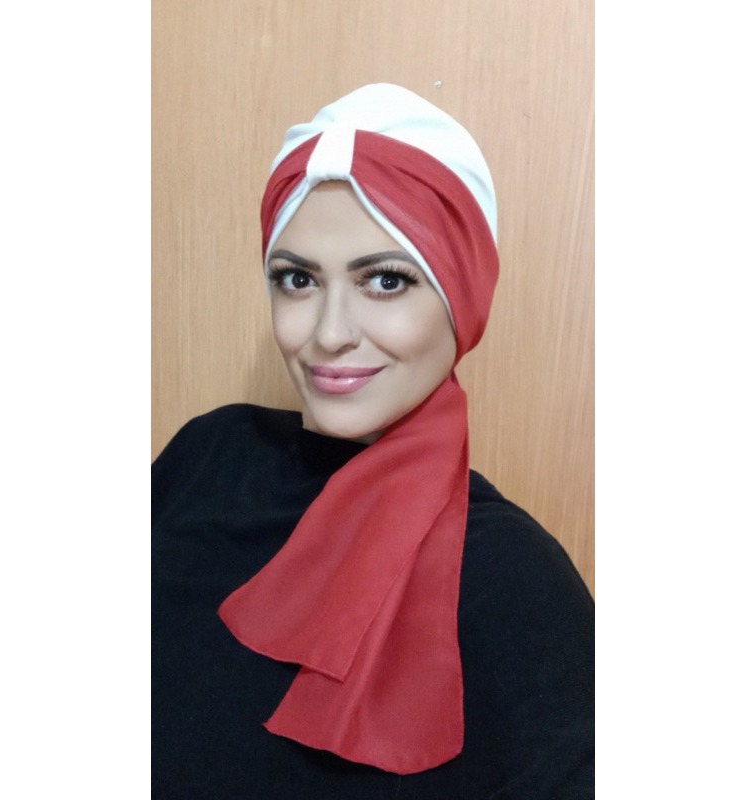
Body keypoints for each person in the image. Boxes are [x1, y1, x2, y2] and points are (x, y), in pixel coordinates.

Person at [152, 83, 594, 799]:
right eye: (297, 279)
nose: (330, 333)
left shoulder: (515, 583)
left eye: (385, 280)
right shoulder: (207, 460)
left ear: (463, 295)